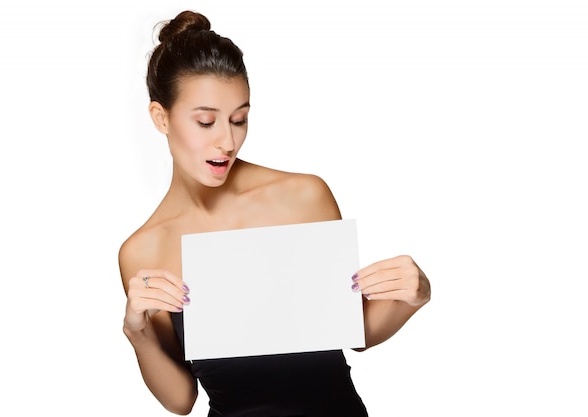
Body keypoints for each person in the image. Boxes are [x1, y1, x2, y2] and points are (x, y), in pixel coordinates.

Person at [119, 10, 431, 417]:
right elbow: (181, 399)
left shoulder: (301, 197)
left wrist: (413, 297)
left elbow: (356, 333)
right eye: (206, 121)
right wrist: (137, 332)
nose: (227, 141)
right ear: (161, 117)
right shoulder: (143, 250)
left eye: (239, 120)